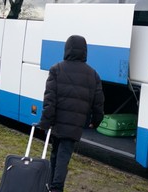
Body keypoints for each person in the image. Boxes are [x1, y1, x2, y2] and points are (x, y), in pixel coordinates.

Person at [39, 35, 104, 192]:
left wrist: (45, 122)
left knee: (55, 153)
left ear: (67, 49)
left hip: (58, 122)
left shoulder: (56, 69)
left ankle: (54, 186)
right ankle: (54, 186)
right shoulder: (93, 74)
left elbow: (50, 100)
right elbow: (98, 103)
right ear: (85, 51)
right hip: (75, 123)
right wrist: (96, 121)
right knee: (63, 155)